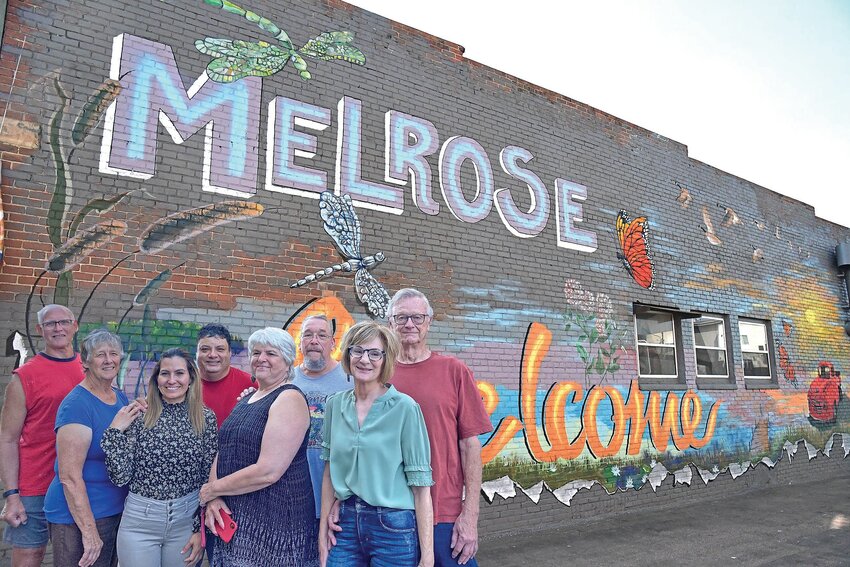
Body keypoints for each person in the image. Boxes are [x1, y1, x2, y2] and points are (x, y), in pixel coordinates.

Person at [387, 289, 492, 566]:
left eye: (417, 317)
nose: (409, 324)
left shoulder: (454, 371)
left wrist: (470, 515)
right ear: (389, 323)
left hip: (444, 511)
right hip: (390, 512)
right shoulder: (378, 374)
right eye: (401, 317)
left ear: (429, 322)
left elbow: (470, 445)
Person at [319, 321, 434, 567]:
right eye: (357, 351)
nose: (364, 359)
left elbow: (421, 488)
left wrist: (428, 556)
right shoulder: (334, 405)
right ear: (347, 355)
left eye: (374, 353)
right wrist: (321, 536)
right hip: (344, 524)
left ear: (386, 360)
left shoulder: (405, 408)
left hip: (392, 527)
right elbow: (329, 472)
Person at [199, 327, 317, 567]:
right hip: (236, 518)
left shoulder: (289, 398)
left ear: (287, 362)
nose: (261, 358)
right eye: (256, 353)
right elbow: (224, 449)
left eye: (271, 354)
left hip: (273, 525)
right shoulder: (248, 398)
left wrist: (212, 490)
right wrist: (214, 495)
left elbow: (268, 471)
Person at [101, 348, 217, 567]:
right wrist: (115, 431)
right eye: (165, 373)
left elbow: (209, 477)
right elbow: (120, 477)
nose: (171, 380)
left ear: (191, 378)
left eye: (179, 373)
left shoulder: (205, 417)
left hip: (186, 520)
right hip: (140, 522)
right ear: (156, 379)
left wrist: (198, 529)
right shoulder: (139, 414)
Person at [0, 305, 84, 567]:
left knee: (78, 557)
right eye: (50, 324)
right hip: (35, 484)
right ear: (40, 330)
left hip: (79, 484)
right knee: (29, 557)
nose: (58, 328)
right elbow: (8, 439)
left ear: (75, 325)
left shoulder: (92, 369)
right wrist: (12, 495)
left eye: (63, 322)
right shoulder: (25, 376)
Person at [43, 329, 131, 567]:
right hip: (78, 518)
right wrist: (90, 532)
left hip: (114, 511)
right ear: (86, 361)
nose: (109, 360)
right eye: (100, 354)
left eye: (113, 353)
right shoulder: (76, 405)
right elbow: (69, 477)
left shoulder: (119, 398)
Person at [291, 315, 350, 520]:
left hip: (337, 497)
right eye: (308, 335)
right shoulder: (286, 378)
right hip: (293, 496)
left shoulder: (350, 379)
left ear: (333, 343)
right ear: (300, 343)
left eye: (322, 335)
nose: (314, 340)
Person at [196, 324, 253, 428]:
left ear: (230, 353)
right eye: (205, 349)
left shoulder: (250, 385)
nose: (212, 355)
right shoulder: (184, 384)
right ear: (197, 353)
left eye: (220, 349)